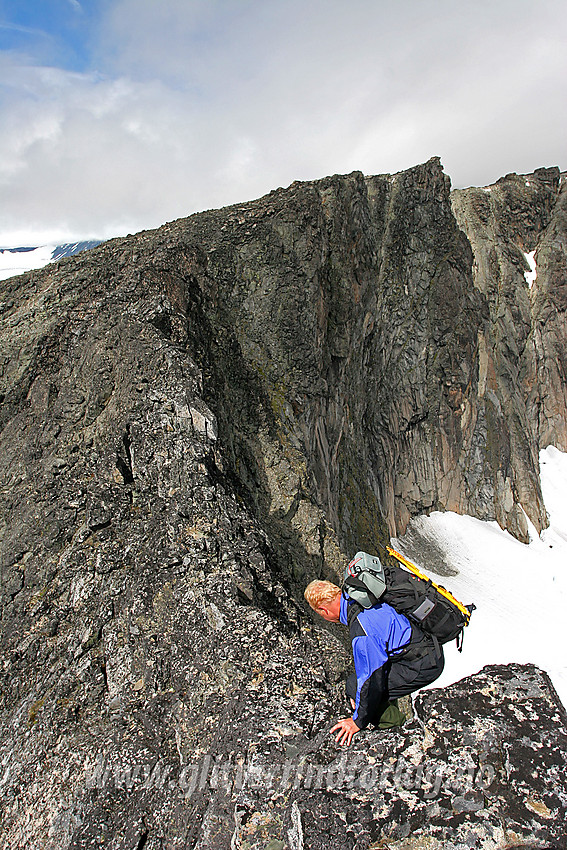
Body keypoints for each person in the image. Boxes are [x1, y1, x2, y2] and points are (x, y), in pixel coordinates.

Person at [304, 579, 444, 746]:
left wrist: (358, 721)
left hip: (422, 664)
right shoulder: (362, 595)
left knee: (355, 686)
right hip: (427, 646)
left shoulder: (361, 630)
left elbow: (371, 680)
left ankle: (393, 730)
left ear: (323, 610)